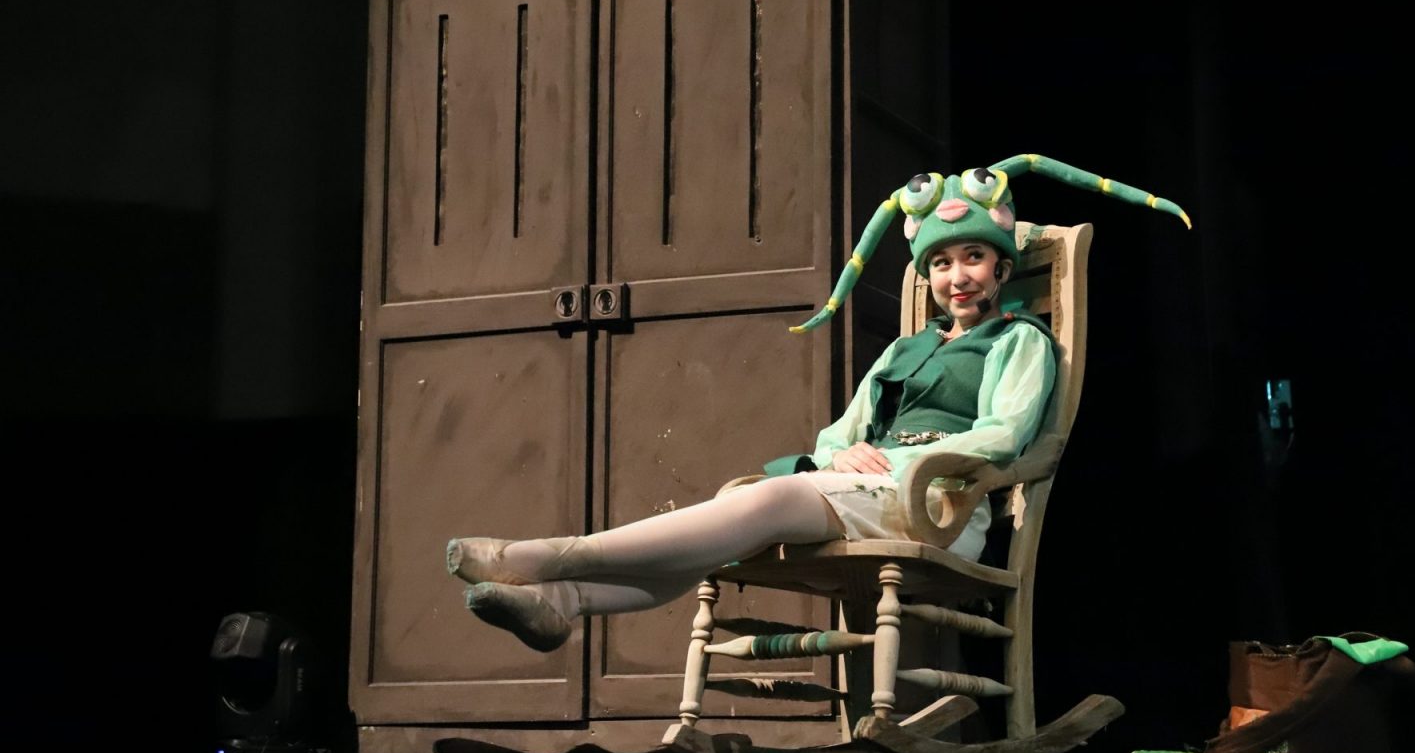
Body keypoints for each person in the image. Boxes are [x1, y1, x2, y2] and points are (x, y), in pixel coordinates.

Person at [446, 154, 1189, 652]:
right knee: (730, 523)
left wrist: (906, 461)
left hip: (942, 505)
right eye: (940, 262)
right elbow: (839, 432)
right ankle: (567, 602)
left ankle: (536, 560)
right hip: (868, 490)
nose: (957, 275)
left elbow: (1002, 436)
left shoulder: (1016, 340)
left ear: (1000, 267)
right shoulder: (904, 350)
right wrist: (846, 453)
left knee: (766, 501)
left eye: (972, 257)